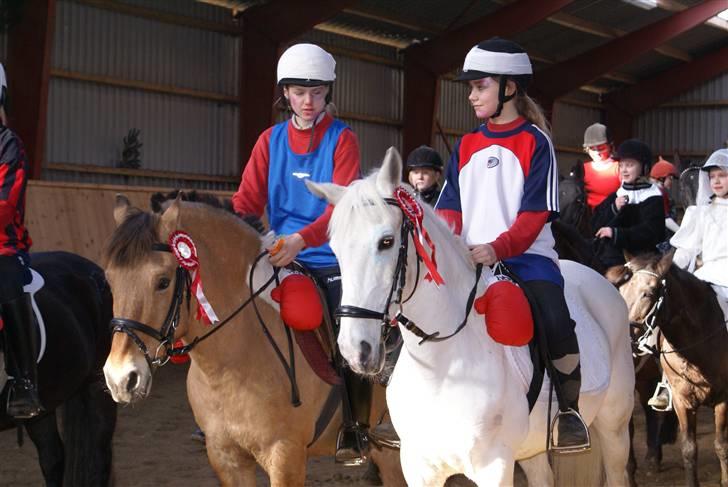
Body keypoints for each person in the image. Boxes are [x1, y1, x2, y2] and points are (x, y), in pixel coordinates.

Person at [434, 37, 589, 452]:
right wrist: (449, 247)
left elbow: (534, 213)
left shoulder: (536, 142)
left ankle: (568, 411)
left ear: (509, 87)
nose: (471, 96)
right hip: (470, 260)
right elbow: (449, 206)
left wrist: (497, 249)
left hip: (526, 259)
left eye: (479, 86)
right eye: (470, 87)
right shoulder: (466, 145)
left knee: (556, 321)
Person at [230, 44, 370, 466]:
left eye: (317, 93)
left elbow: (340, 208)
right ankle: (224, 414)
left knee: (351, 339)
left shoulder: (342, 139)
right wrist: (251, 234)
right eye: (298, 93)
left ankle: (356, 426)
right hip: (277, 255)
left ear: (328, 93)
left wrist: (301, 241)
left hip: (328, 258)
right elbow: (245, 203)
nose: (308, 103)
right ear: (285, 94)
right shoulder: (269, 141)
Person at [648, 149, 728, 410]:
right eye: (713, 176)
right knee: (668, 312)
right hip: (704, 276)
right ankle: (666, 383)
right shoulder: (699, 212)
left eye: (722, 175)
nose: (716, 181)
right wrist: (668, 271)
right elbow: (685, 250)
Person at [0, 63, 44, 418]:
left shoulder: (8, 144)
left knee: (6, 280)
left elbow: (6, 200)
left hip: (4, 247)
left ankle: (24, 381)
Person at [593, 139, 666, 268]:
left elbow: (652, 233)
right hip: (609, 256)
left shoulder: (652, 196)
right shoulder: (617, 194)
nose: (624, 170)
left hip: (642, 259)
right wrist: (613, 208)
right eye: (621, 165)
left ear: (644, 167)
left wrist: (616, 234)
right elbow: (595, 223)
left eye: (630, 165)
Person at [582, 123, 621, 211]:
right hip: (586, 218)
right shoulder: (583, 168)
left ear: (610, 147)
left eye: (601, 148)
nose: (597, 153)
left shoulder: (619, 168)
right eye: (592, 149)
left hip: (609, 216)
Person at [650, 157, 680, 234]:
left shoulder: (652, 189)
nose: (672, 182)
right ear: (661, 178)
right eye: (670, 178)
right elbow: (665, 218)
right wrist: (680, 232)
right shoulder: (658, 192)